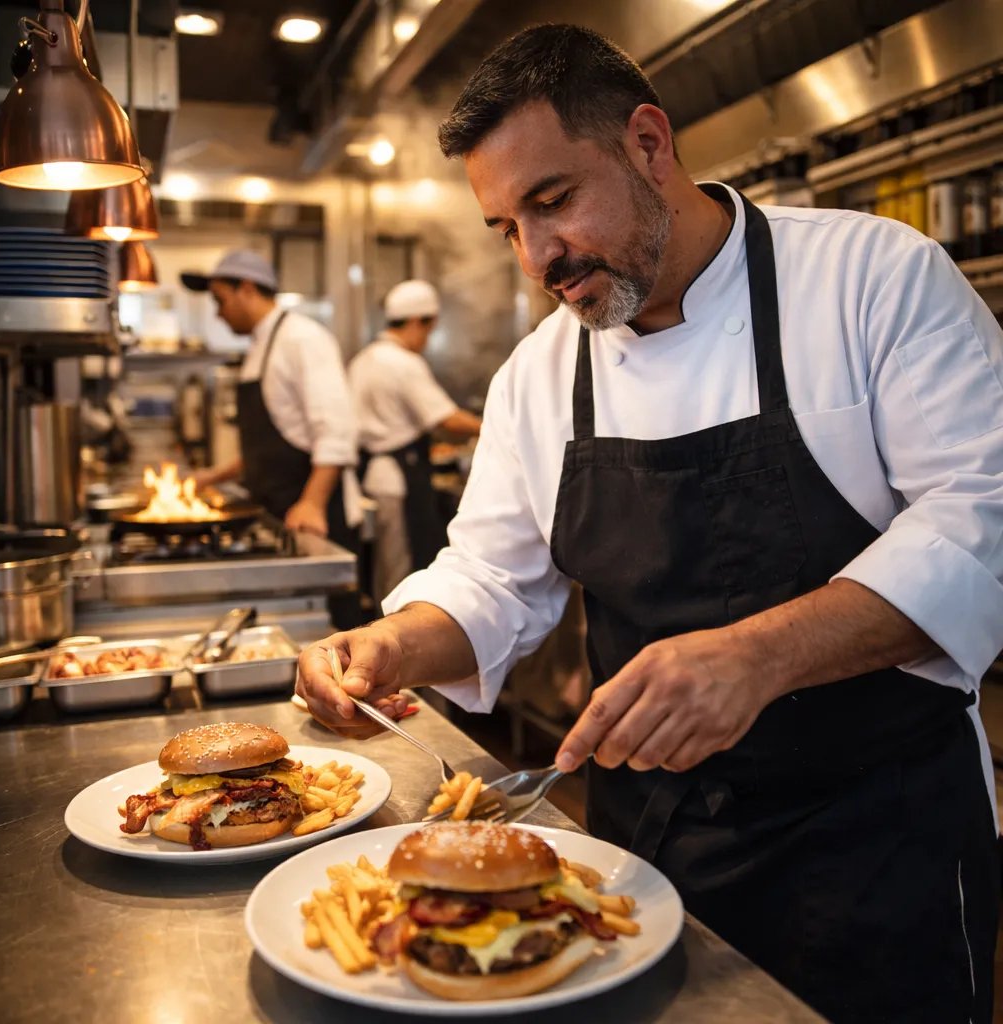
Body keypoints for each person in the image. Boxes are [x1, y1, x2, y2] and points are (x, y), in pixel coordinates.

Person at [296, 25, 1003, 1024]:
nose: (536, 256)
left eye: (551, 201)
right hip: (647, 852)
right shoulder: (539, 376)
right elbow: (491, 580)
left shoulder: (872, 280)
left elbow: (982, 527)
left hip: (878, 841)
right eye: (505, 227)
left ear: (647, 142)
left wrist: (757, 654)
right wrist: (389, 643)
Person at [182, 249, 364, 628]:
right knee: (291, 628)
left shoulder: (303, 339)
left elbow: (336, 431)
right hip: (277, 513)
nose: (218, 313)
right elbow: (269, 446)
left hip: (315, 518)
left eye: (220, 300)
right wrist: (212, 477)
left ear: (247, 288)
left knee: (332, 632)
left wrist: (312, 503)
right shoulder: (257, 349)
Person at [349, 280, 482, 603]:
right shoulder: (403, 363)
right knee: (402, 568)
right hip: (398, 480)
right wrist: (494, 424)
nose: (426, 339)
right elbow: (445, 419)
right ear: (415, 322)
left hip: (371, 475)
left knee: (384, 565)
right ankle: (398, 640)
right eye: (428, 329)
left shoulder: (364, 358)